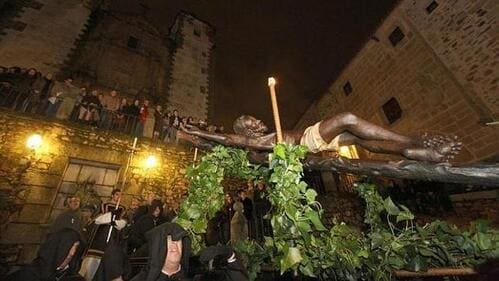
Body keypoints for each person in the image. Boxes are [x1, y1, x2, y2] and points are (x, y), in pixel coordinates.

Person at [179, 114, 462, 163]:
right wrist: (195, 132)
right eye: (253, 121)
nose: (259, 121)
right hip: (308, 141)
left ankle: (409, 153)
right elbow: (228, 140)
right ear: (246, 130)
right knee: (347, 119)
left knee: (360, 140)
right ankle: (415, 141)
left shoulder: (265, 135)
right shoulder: (256, 142)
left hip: (316, 142)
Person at [79, 189, 126, 281]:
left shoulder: (123, 209)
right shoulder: (104, 205)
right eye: (117, 195)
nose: (118, 197)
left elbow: (124, 222)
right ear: (112, 195)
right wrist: (109, 216)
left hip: (114, 235)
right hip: (101, 234)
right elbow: (96, 219)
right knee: (95, 257)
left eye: (120, 195)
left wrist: (116, 223)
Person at [7, 227, 84, 281]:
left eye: (76, 247)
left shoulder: (73, 277)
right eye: (68, 246)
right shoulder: (26, 275)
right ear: (56, 248)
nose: (72, 252)